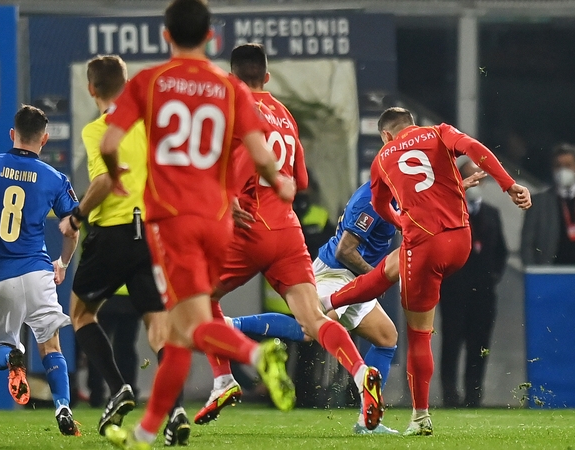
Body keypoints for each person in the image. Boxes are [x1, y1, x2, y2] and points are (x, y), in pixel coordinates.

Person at [98, 2, 299, 448]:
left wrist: (115, 175)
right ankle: (145, 434)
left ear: (165, 35)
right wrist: (280, 185)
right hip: (219, 221)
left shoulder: (149, 81)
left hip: (173, 220)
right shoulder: (231, 88)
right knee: (179, 331)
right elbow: (262, 155)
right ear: (211, 36)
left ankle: (254, 353)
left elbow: (112, 142)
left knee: (188, 323)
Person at [192, 43, 385, 434]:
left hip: (248, 224)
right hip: (286, 227)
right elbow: (300, 181)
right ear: (266, 77)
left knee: (199, 299)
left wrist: (226, 195)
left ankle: (223, 380)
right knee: (312, 317)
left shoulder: (230, 105)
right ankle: (361, 371)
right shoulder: (284, 114)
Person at [324, 107, 531, 436]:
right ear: (412, 125)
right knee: (391, 266)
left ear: (386, 135)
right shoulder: (438, 132)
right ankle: (330, 301)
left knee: (420, 334)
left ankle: (420, 417)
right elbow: (475, 149)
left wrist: (400, 221)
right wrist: (508, 185)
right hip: (460, 241)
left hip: (425, 248)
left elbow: (379, 205)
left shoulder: (382, 157)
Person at [58, 55, 191, 445]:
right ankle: (177, 410)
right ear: (128, 82)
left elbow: (101, 183)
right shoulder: (151, 126)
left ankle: (118, 387)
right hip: (151, 235)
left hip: (112, 234)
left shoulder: (99, 129)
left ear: (91, 89)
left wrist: (76, 216)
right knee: (160, 329)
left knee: (81, 314)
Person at [205, 177, 399, 435]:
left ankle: (368, 420)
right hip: (337, 272)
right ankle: (232, 326)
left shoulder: (397, 194)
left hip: (354, 277)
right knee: (311, 327)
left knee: (386, 336)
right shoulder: (370, 199)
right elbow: (345, 250)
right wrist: (376, 277)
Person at [0, 105, 81, 436]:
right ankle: (63, 406)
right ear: (45, 139)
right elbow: (72, 229)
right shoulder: (55, 178)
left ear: (13, 134)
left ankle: (13, 361)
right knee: (51, 347)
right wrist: (63, 263)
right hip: (38, 273)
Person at [439, 159, 508, 408]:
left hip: (484, 292)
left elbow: (501, 251)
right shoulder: (448, 210)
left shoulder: (492, 213)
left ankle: (473, 396)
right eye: (469, 177)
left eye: (479, 177)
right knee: (451, 344)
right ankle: (449, 395)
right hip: (454, 290)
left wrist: (492, 277)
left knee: (479, 345)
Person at [520, 142, 575, 266]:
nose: (563, 170)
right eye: (558, 166)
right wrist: (533, 272)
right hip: (550, 273)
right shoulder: (539, 200)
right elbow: (527, 243)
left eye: (568, 166)